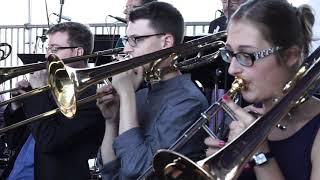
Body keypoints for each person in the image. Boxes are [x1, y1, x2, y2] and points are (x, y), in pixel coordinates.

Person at [205, 0, 320, 180]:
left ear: (291, 55)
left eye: (245, 55)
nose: (232, 69)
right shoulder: (244, 121)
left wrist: (259, 152)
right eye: (230, 54)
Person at [96, 2, 209, 179]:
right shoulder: (141, 94)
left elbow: (137, 170)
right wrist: (112, 122)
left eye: (136, 39)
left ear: (166, 42)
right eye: (127, 40)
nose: (126, 49)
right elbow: (110, 172)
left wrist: (126, 95)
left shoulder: (188, 102)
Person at [2, 22, 105, 180]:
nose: (46, 56)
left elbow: (50, 141)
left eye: (55, 49)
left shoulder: (91, 96)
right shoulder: (46, 90)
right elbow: (13, 141)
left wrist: (37, 95)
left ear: (78, 52)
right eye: (48, 49)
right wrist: (16, 104)